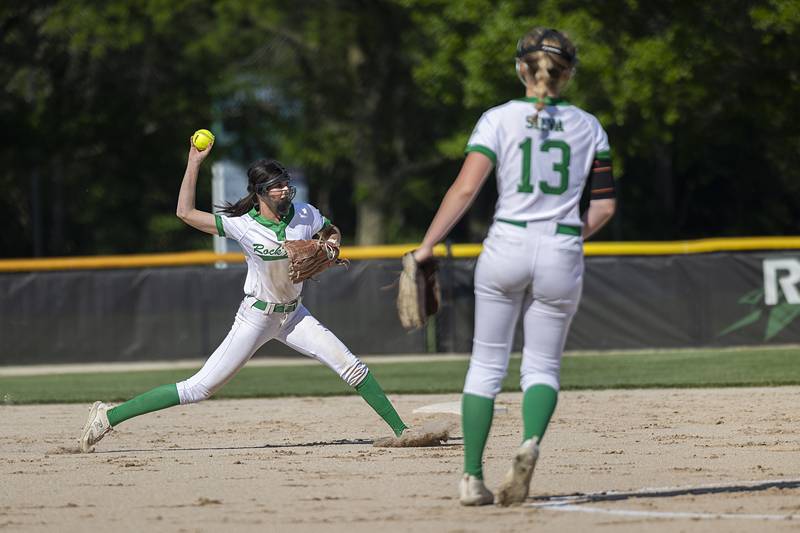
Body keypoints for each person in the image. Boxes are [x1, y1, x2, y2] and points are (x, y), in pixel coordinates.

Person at [80, 139, 411, 452]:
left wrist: (333, 244)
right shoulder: (242, 224)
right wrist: (194, 162)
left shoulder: (305, 213)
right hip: (258, 316)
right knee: (199, 388)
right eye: (275, 186)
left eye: (285, 182)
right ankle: (108, 417)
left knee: (350, 366)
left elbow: (329, 230)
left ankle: (403, 432)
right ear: (259, 194)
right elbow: (185, 213)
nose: (284, 189)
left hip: (294, 315)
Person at [412, 28, 616, 506]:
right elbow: (604, 209)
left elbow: (465, 190)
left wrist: (426, 247)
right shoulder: (590, 126)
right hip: (562, 250)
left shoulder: (498, 119)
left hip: (507, 243)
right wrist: (566, 236)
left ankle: (471, 478)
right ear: (567, 74)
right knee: (542, 366)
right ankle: (529, 444)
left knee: (486, 365)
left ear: (522, 69)